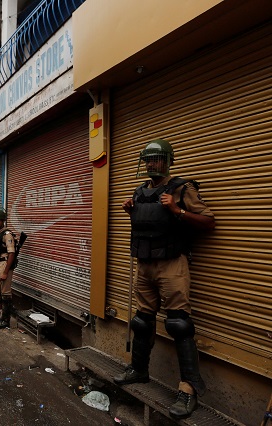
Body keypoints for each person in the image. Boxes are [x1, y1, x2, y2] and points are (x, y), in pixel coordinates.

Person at [114, 139, 215, 420]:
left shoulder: (182, 188)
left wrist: (177, 209)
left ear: (167, 161)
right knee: (141, 320)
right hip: (144, 265)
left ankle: (188, 389)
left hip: (172, 265)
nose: (151, 164)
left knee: (179, 324)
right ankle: (139, 369)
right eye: (148, 159)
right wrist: (130, 210)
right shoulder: (140, 191)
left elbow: (208, 221)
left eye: (157, 159)